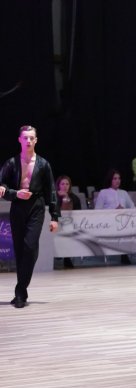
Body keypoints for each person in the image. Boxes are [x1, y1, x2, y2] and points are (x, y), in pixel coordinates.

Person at [0, 125, 59, 308]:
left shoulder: (43, 164)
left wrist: (54, 216)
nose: (28, 141)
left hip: (36, 207)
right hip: (18, 207)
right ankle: (21, 294)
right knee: (20, 250)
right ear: (20, 140)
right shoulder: (11, 163)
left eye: (31, 138)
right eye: (25, 137)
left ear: (36, 140)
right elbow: (2, 186)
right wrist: (14, 193)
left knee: (30, 247)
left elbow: (51, 191)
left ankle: (20, 291)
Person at [56, 175, 82, 268]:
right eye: (62, 184)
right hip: (56, 224)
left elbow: (78, 213)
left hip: (71, 224)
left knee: (68, 230)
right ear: (58, 185)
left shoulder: (74, 198)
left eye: (67, 184)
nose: (65, 186)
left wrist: (66, 197)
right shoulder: (54, 197)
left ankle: (66, 257)